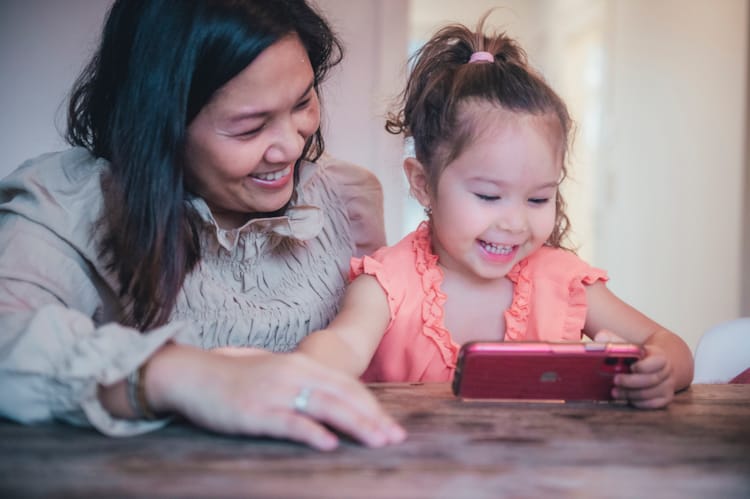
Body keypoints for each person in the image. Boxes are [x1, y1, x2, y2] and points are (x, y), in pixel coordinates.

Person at [0, 0, 406, 451]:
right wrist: (183, 375)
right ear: (160, 123)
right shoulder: (66, 207)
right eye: (250, 128)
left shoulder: (346, 197)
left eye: (303, 103)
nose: (291, 147)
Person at [297, 15, 694, 409]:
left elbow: (671, 347)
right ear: (422, 183)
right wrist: (304, 373)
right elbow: (341, 344)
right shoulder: (387, 285)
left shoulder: (565, 282)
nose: (515, 223)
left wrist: (657, 369)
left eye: (538, 199)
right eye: (488, 196)